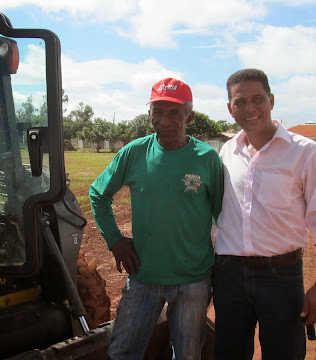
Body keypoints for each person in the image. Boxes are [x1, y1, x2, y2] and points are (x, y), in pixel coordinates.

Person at [89, 78, 223, 360]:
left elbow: (224, 216)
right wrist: (115, 240)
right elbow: (98, 193)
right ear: (149, 113)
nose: (165, 120)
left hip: (193, 280)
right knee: (123, 351)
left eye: (175, 112)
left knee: (187, 354)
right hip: (143, 277)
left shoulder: (207, 158)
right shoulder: (134, 152)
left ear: (190, 115)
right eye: (158, 111)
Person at [213, 68, 316, 359]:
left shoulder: (306, 153)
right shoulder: (226, 152)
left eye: (257, 99)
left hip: (280, 277)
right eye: (239, 101)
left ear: (271, 100)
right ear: (229, 108)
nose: (249, 108)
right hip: (229, 276)